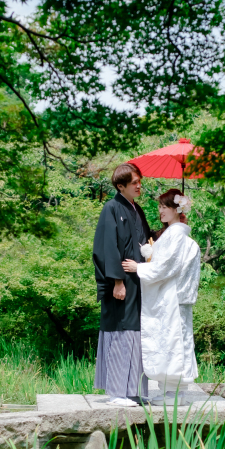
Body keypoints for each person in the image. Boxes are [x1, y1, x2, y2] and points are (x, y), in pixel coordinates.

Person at [121, 188, 201, 401]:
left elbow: (167, 266)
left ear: (177, 209)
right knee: (173, 341)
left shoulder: (176, 236)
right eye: (160, 206)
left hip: (171, 298)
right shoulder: (175, 235)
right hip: (174, 297)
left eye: (165, 206)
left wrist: (139, 267)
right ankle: (172, 391)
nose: (161, 210)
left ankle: (174, 393)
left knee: (172, 341)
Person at [92, 163, 155, 407]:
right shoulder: (111, 208)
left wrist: (175, 223)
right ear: (120, 186)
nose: (139, 186)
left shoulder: (137, 209)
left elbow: (147, 240)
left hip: (137, 280)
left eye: (140, 181)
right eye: (134, 183)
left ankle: (133, 390)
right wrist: (117, 282)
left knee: (136, 332)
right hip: (120, 282)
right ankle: (117, 392)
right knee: (120, 331)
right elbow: (107, 247)